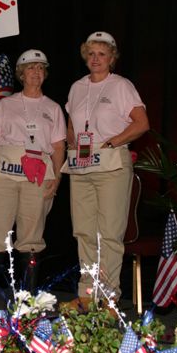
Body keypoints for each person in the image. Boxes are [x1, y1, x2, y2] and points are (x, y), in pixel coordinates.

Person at [0, 49, 66, 302]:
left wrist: (57, 176)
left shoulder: (53, 108)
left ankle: (26, 293)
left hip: (38, 174)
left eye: (41, 68)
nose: (36, 72)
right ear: (21, 74)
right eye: (31, 68)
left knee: (32, 234)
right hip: (3, 171)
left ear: (45, 74)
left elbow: (58, 146)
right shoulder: (7, 104)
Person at [63, 31, 149, 311]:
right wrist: (74, 146)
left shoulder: (121, 85)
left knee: (109, 233)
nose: (95, 58)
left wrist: (112, 141)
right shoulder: (77, 87)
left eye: (102, 53)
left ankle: (110, 297)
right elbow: (72, 126)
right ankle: (88, 294)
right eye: (91, 53)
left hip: (111, 162)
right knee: (84, 231)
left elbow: (141, 123)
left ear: (112, 58)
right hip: (82, 165)